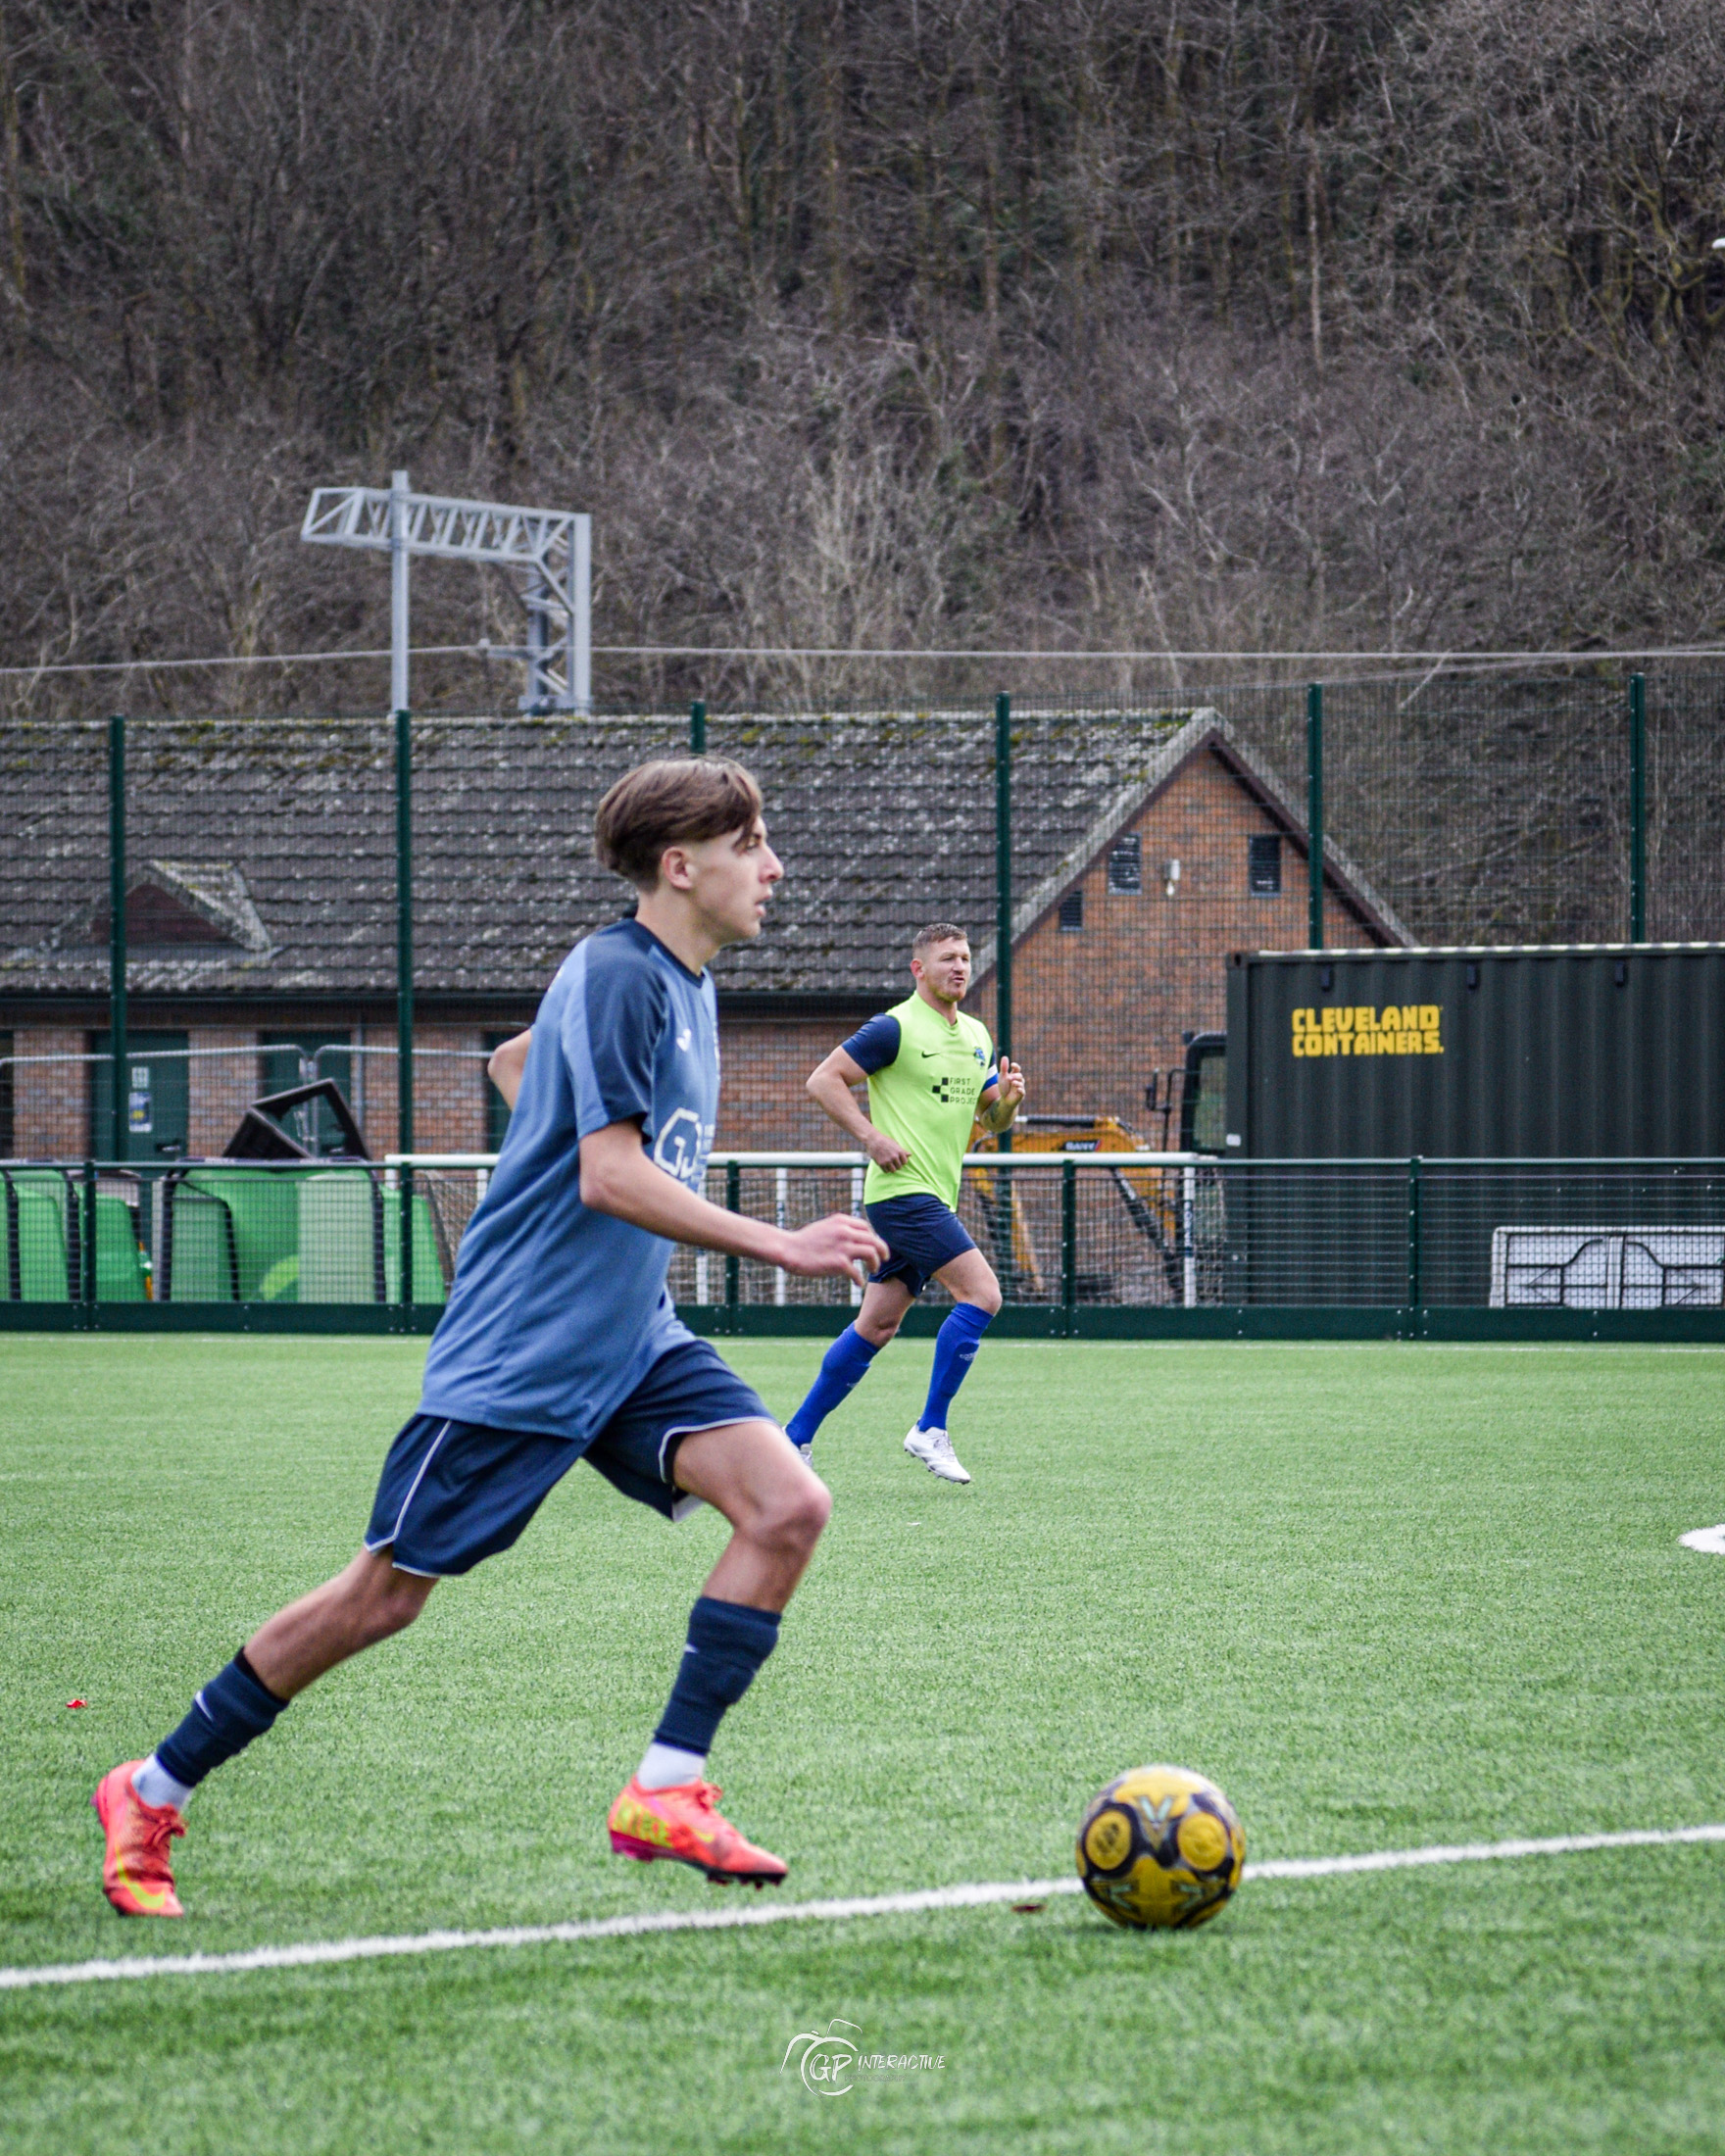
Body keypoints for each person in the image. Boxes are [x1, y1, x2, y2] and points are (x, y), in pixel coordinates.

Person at [91, 759, 887, 1918]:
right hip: (523, 1351)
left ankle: (666, 1786)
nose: (773, 866)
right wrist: (780, 1245)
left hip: (631, 1340)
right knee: (380, 1597)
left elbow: (518, 1063)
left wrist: (547, 1123)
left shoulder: (681, 980)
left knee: (788, 1508)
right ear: (680, 866)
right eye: (751, 843)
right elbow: (610, 1174)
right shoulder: (620, 976)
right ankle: (151, 1785)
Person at [785, 924, 1025, 1485]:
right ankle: (930, 1428)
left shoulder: (976, 1035)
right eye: (947, 959)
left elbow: (988, 1122)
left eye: (965, 958)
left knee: (877, 1326)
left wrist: (1009, 1104)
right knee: (983, 1293)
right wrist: (871, 1136)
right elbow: (824, 1080)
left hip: (932, 1195)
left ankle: (792, 1438)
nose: (959, 967)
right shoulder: (895, 1027)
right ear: (919, 969)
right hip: (902, 1194)